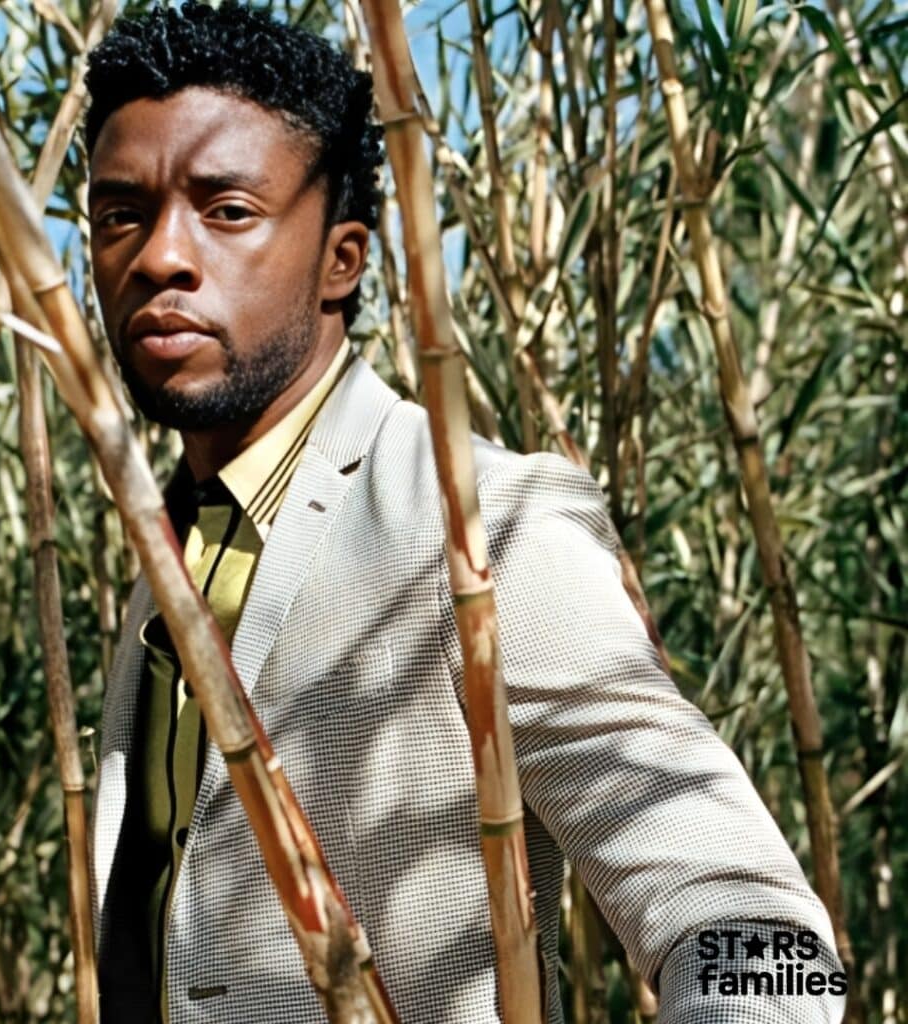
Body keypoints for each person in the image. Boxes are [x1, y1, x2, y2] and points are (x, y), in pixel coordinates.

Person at [83, 3, 846, 1022]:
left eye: (225, 211)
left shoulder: (483, 523)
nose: (158, 257)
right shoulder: (174, 551)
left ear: (341, 261)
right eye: (120, 213)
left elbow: (757, 930)